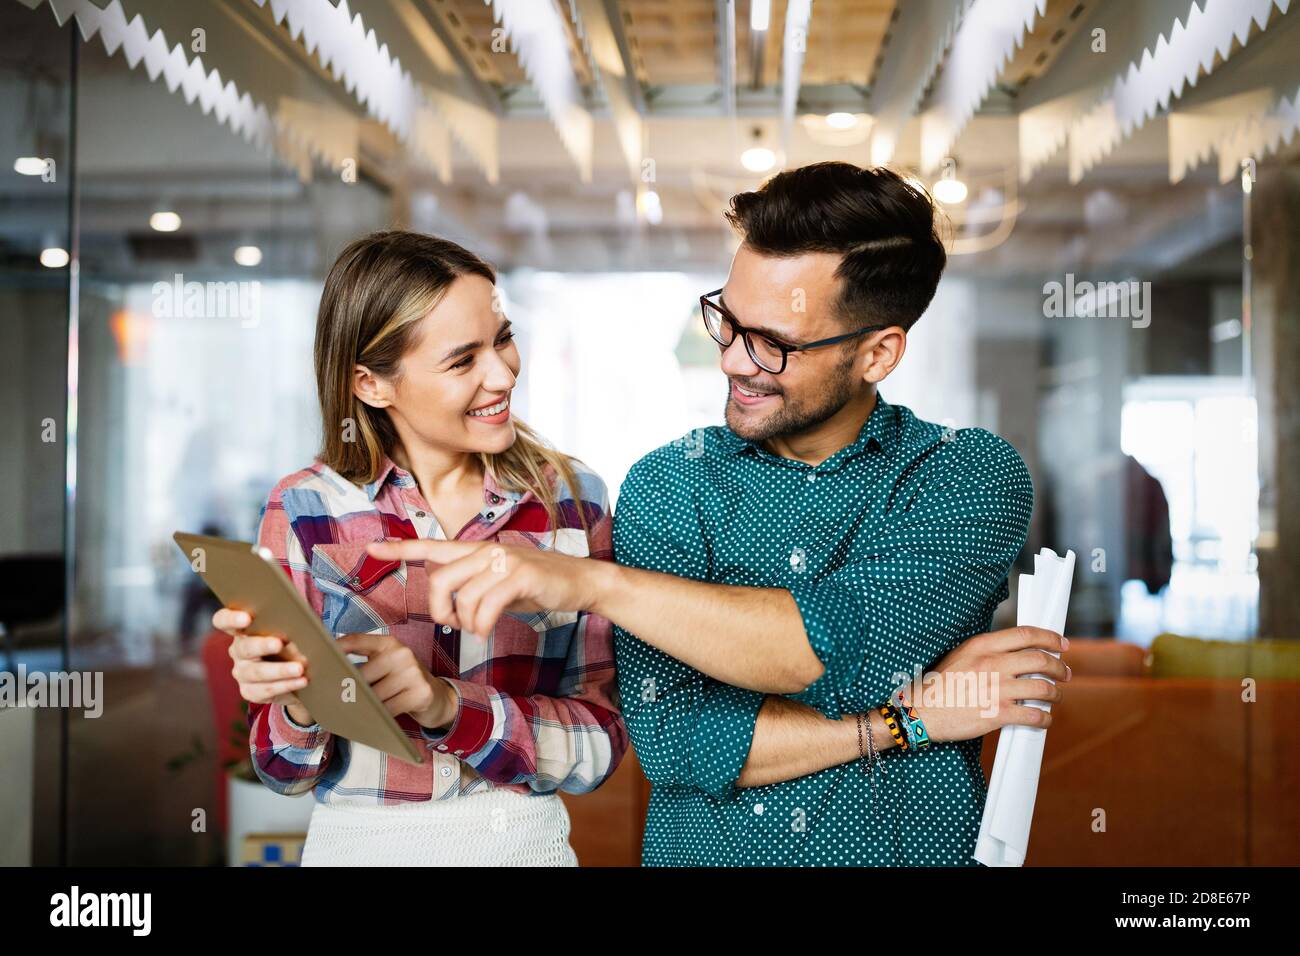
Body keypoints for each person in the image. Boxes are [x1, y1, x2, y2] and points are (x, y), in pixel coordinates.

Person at [374, 162, 1070, 866]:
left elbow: (833, 654)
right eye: (728, 323)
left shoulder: (964, 474)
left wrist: (594, 584)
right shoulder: (669, 481)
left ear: (877, 353)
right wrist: (913, 719)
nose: (735, 361)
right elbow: (676, 740)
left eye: (774, 343)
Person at [213, 231, 627, 866]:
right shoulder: (305, 509)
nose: (503, 372)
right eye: (463, 361)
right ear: (372, 385)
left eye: (503, 338)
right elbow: (282, 771)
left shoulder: (572, 500)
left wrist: (445, 706)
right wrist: (299, 700)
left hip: (522, 847)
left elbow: (599, 744)